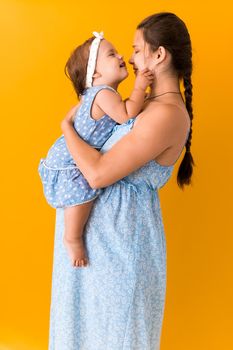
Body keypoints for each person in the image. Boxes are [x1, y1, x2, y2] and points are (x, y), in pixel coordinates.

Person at [48, 12, 195, 350]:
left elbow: (98, 173)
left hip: (120, 249)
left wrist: (67, 129)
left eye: (136, 49)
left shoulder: (166, 115)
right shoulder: (144, 105)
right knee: (81, 336)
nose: (130, 57)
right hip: (97, 247)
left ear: (160, 55)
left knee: (117, 338)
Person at [38, 31, 154, 268]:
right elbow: (126, 115)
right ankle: (72, 237)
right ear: (96, 73)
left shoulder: (97, 94)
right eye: (112, 54)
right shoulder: (103, 94)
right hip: (71, 159)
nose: (121, 55)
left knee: (82, 193)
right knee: (81, 196)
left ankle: (72, 235)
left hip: (70, 152)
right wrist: (140, 86)